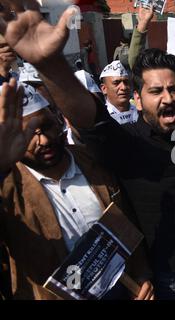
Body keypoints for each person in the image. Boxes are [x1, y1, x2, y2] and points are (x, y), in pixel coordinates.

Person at [0, 1, 175, 300]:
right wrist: (50, 64)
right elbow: (90, 118)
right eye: (155, 91)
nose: (167, 99)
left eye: (172, 89)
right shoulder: (128, 144)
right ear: (138, 99)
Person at [0, 79, 153, 300]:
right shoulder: (8, 190)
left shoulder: (93, 159)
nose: (42, 140)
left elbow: (128, 223)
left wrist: (141, 275)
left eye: (46, 126)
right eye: (28, 135)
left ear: (59, 120)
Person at [99, 60, 139, 125]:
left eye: (126, 82)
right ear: (104, 89)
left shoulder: (141, 111)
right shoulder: (101, 118)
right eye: (116, 83)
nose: (124, 87)